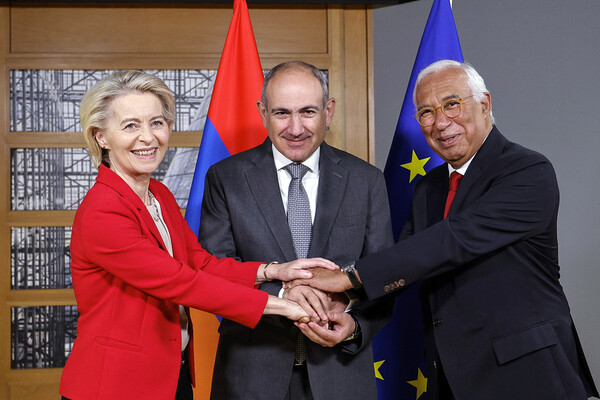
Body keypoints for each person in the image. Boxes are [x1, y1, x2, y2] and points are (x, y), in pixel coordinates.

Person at [290, 60, 599, 399]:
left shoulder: (527, 171)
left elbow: (453, 240)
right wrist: (349, 308)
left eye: (452, 104)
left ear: (484, 104)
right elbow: (405, 262)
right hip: (452, 376)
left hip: (528, 375)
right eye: (426, 112)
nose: (440, 123)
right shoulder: (429, 187)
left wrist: (348, 276)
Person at [58, 70, 337, 400]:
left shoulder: (159, 194)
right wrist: (282, 305)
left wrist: (273, 271)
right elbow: (180, 282)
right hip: (115, 385)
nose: (148, 137)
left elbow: (199, 263)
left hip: (169, 376)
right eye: (131, 125)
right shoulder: (103, 210)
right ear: (101, 137)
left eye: (156, 123)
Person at [198, 61, 394, 400]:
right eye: (281, 113)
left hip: (341, 375)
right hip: (251, 376)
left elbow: (384, 275)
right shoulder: (226, 178)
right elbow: (213, 272)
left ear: (328, 111)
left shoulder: (366, 181)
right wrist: (281, 294)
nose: (295, 128)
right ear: (263, 113)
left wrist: (354, 327)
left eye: (307, 112)